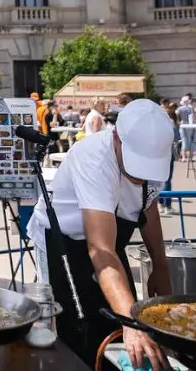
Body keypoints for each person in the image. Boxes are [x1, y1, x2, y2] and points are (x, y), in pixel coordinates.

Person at [27, 99, 174, 371]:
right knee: (78, 326)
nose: (141, 176)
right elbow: (100, 250)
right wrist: (131, 324)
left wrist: (160, 265)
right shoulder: (93, 158)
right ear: (116, 137)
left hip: (109, 241)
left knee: (120, 315)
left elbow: (148, 206)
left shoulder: (157, 155)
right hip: (65, 241)